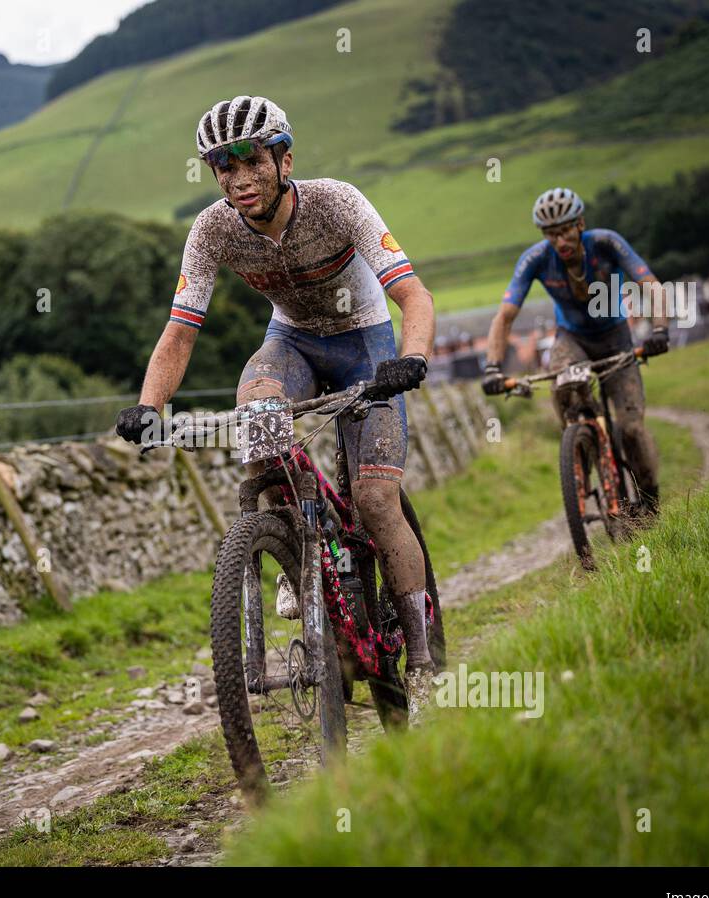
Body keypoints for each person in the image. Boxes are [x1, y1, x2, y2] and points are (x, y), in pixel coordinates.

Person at [114, 96, 439, 703]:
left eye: (250, 161)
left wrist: (411, 359)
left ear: (284, 159)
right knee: (256, 417)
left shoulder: (337, 204)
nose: (238, 179)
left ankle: (420, 655)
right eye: (222, 166)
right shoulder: (211, 230)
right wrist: (150, 405)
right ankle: (293, 550)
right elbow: (180, 330)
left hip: (364, 342)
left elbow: (414, 295)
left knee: (373, 496)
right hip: (290, 342)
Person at [480, 187, 668, 514]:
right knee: (564, 387)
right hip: (572, 339)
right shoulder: (536, 259)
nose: (560, 241)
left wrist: (660, 329)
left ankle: (649, 501)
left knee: (632, 429)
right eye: (552, 235)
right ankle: (581, 448)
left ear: (580, 224)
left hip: (615, 336)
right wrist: (493, 367)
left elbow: (649, 283)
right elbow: (505, 315)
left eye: (565, 231)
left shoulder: (606, 243)